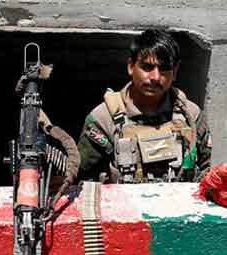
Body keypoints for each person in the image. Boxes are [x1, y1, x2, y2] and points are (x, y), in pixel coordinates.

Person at [77, 29, 211, 183]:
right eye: (147, 67)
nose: (155, 77)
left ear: (175, 72)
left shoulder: (191, 115)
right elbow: (83, 180)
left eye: (164, 68)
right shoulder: (103, 119)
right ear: (131, 66)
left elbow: (208, 171)